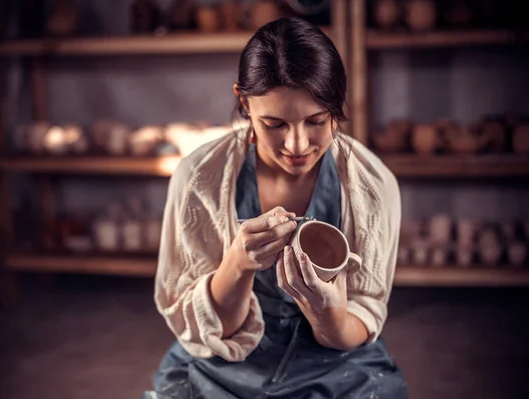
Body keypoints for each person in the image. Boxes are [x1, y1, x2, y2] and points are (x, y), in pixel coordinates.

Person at [143, 17, 408, 399]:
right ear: (243, 102)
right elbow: (205, 327)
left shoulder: (370, 185)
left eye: (316, 121)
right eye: (275, 124)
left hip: (334, 361)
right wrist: (238, 261)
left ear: (336, 106)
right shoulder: (200, 178)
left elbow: (358, 322)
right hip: (224, 359)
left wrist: (329, 313)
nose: (297, 145)